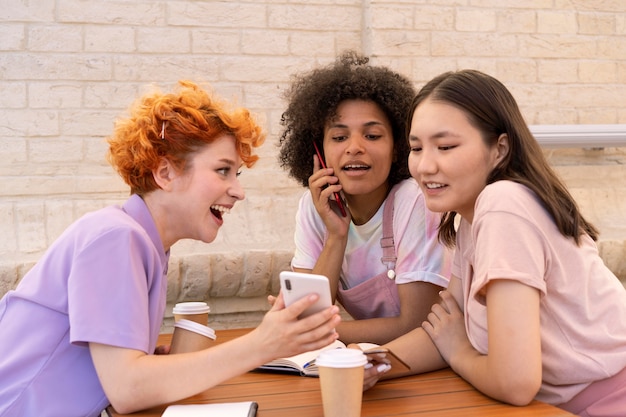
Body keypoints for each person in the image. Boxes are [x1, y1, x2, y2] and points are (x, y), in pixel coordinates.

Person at [0, 80, 342, 417]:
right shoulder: (116, 238)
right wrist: (262, 344)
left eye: (236, 174)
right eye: (223, 171)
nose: (238, 191)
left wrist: (157, 369)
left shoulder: (143, 243)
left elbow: (123, 381)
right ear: (165, 173)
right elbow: (127, 391)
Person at [363, 69, 626, 416]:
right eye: (415, 148)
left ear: (499, 148)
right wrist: (372, 364)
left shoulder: (504, 204)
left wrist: (460, 353)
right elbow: (443, 330)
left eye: (445, 147)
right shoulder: (470, 223)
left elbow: (514, 383)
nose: (425, 166)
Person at [277, 51, 451, 345]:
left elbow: (416, 324)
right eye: (339, 137)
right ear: (318, 150)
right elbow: (307, 308)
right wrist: (335, 235)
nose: (354, 147)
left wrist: (305, 331)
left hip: (431, 365)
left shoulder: (415, 201)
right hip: (371, 363)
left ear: (398, 147)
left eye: (372, 136)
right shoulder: (314, 205)